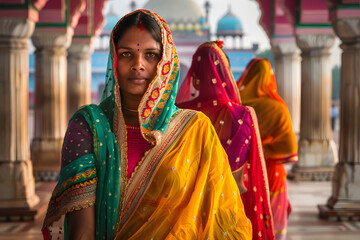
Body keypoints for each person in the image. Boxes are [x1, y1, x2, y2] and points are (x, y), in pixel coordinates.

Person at [41, 10, 252, 240]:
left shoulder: (195, 129)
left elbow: (223, 221)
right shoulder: (89, 127)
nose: (138, 64)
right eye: (126, 54)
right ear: (113, 59)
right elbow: (82, 232)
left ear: (166, 62)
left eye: (150, 55)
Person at [176, 41, 274, 240]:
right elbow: (254, 174)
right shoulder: (244, 116)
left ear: (194, 80)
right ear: (228, 77)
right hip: (231, 212)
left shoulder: (179, 115)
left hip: (185, 218)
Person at [237, 58, 298, 240]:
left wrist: (253, 149)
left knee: (247, 215)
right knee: (273, 220)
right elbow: (289, 147)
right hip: (271, 170)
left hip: (243, 171)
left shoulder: (238, 106)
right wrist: (264, 149)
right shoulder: (277, 107)